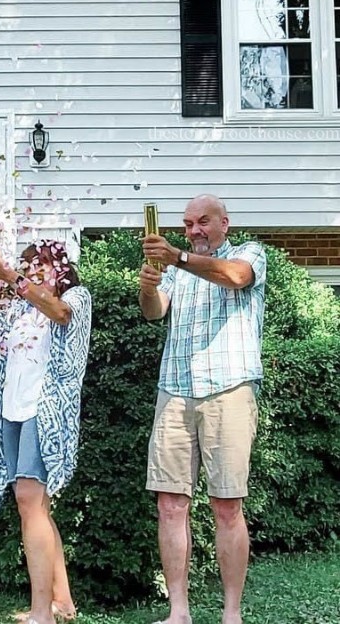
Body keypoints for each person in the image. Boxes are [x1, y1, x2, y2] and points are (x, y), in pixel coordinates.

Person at [138, 195, 267, 624]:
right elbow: (154, 313)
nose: (194, 230)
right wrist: (148, 287)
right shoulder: (178, 270)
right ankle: (179, 613)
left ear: (224, 223)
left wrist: (177, 256)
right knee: (170, 505)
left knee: (226, 505)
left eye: (203, 222)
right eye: (188, 224)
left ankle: (232, 614)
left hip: (228, 390)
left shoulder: (249, 253)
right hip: (174, 390)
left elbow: (236, 277)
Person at [0, 240, 92, 624]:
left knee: (28, 498)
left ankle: (42, 612)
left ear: (62, 268)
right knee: (37, 506)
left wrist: (11, 277)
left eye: (42, 264)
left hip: (46, 410)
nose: (34, 270)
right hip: (12, 409)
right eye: (28, 265)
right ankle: (62, 602)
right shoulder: (19, 309)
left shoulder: (76, 297)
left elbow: (60, 313)